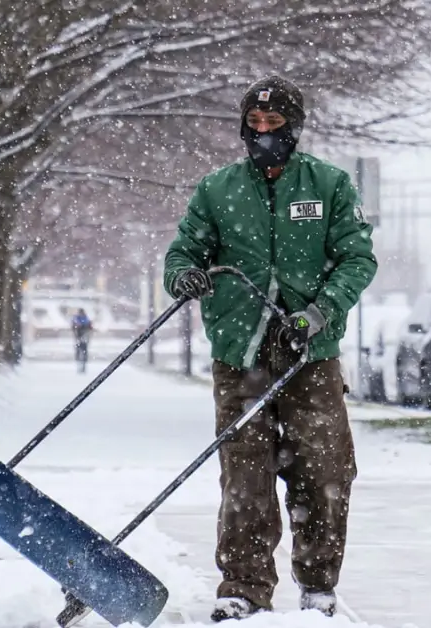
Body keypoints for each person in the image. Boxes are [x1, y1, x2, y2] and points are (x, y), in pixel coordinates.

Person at [162, 75, 377, 621]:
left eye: (273, 125)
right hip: (241, 352)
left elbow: (358, 260)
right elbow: (184, 250)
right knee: (244, 473)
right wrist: (185, 274)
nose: (262, 134)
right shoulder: (218, 189)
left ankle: (319, 583)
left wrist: (318, 311)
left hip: (310, 354)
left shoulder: (328, 186)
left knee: (325, 471)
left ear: (294, 128)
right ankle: (243, 585)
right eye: (253, 125)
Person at [70, 308, 93, 374]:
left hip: (82, 337)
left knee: (82, 351)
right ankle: (80, 365)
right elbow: (73, 327)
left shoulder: (83, 319)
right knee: (80, 351)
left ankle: (82, 365)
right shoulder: (78, 319)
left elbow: (89, 327)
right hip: (80, 337)